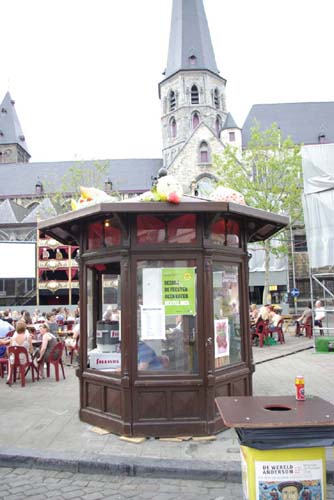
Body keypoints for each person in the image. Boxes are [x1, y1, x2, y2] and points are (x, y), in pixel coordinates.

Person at [6, 320, 33, 385]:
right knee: (27, 357)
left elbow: (9, 351)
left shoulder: (12, 338)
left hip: (14, 360)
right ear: (25, 328)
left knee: (10, 360)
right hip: (25, 359)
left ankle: (9, 377)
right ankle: (21, 374)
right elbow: (31, 350)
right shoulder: (28, 338)